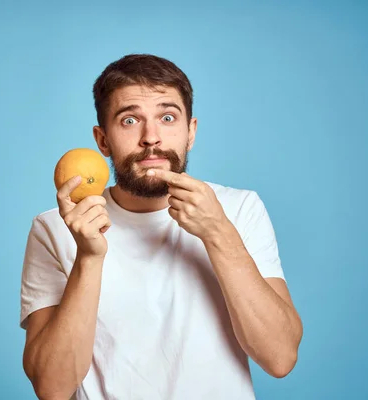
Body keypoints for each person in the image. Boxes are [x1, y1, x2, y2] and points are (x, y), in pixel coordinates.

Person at [19, 53, 303, 400]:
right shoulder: (57, 227)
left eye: (167, 117)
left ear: (190, 132)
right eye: (129, 121)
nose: (151, 137)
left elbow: (280, 358)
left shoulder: (239, 209)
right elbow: (52, 389)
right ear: (102, 139)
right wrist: (88, 258)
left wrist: (218, 233)